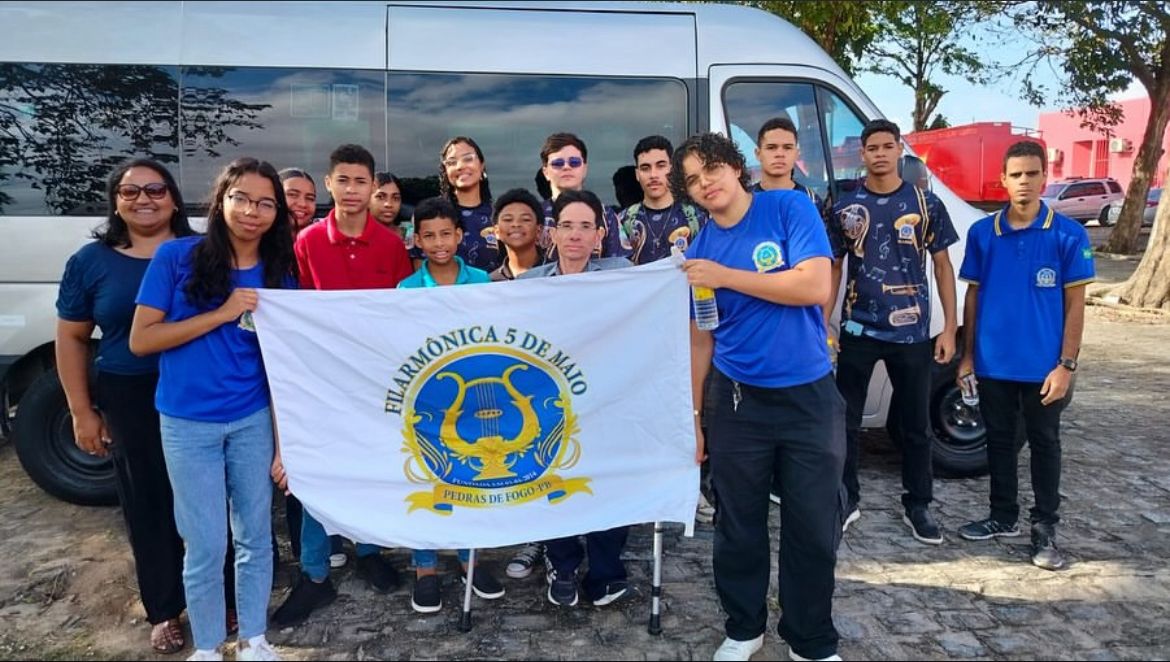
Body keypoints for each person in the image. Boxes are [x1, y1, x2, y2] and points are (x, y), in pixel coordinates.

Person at [672, 133, 844, 662]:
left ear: (734, 165)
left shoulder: (788, 207)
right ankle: (744, 628)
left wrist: (727, 276)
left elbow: (814, 285)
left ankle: (810, 639)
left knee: (812, 524)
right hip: (737, 402)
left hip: (809, 396)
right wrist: (695, 415)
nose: (706, 184)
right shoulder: (699, 251)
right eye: (693, 181)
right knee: (738, 524)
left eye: (712, 169)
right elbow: (701, 337)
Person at [129, 156, 297, 662]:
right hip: (187, 423)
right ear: (221, 199)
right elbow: (142, 339)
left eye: (265, 203)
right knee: (204, 543)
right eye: (241, 198)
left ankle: (254, 639)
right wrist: (223, 313)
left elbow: (283, 366)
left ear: (277, 213)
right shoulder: (176, 257)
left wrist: (283, 445)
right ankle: (206, 647)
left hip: (251, 420)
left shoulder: (280, 272)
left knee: (255, 536)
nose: (252, 212)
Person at [56, 159, 194, 654]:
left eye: (155, 190)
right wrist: (82, 411)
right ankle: (164, 607)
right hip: (130, 393)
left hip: (197, 388)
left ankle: (217, 593)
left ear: (173, 199)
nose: (144, 200)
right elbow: (72, 338)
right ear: (115, 202)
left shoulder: (202, 252)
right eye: (130, 191)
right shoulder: (90, 262)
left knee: (207, 497)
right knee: (146, 500)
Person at [273, 145, 411, 628]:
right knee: (317, 471)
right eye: (343, 181)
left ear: (373, 187)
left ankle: (369, 550)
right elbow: (293, 313)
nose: (352, 190)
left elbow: (404, 314)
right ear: (329, 184)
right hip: (321, 380)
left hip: (375, 379)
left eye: (361, 181)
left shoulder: (391, 246)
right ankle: (314, 574)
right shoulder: (307, 242)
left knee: (371, 465)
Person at [956, 140, 1094, 571]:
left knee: (1045, 443)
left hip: (1044, 368)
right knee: (998, 442)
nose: (1024, 182)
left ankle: (1045, 526)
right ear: (1003, 179)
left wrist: (1066, 365)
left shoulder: (1068, 234)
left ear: (1044, 178)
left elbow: (1075, 305)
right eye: (1016, 175)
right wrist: (967, 357)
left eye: (1032, 174)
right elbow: (973, 296)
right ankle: (1003, 516)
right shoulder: (983, 233)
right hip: (994, 363)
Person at [827, 119, 958, 545]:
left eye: (888, 146)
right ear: (862, 153)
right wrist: (822, 323)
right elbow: (833, 268)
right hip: (858, 329)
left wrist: (949, 328)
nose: (880, 154)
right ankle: (847, 498)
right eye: (873, 147)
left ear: (900, 149)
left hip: (912, 333)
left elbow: (942, 266)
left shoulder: (925, 203)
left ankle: (918, 505)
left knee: (915, 425)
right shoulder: (846, 206)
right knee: (846, 421)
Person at [518, 189, 633, 607]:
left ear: (600, 235)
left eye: (586, 227)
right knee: (554, 479)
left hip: (607, 399)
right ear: (552, 233)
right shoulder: (528, 285)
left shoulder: (622, 274)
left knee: (609, 481)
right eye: (567, 226)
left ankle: (606, 571)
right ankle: (562, 564)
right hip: (549, 403)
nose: (575, 235)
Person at [397, 196, 503, 612]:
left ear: (459, 235)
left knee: (470, 476)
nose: (439, 243)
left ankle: (468, 558)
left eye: (446, 234)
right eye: (429, 236)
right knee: (428, 477)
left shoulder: (481, 281)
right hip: (427, 400)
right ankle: (424, 568)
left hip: (474, 397)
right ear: (417, 240)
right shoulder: (406, 289)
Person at [536, 132, 628, 259]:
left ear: (584, 169)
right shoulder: (534, 216)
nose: (566, 167)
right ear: (545, 172)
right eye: (558, 163)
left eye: (574, 162)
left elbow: (620, 264)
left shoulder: (606, 216)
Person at [620, 135, 709, 265]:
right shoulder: (625, 220)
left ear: (672, 169)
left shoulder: (696, 218)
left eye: (660, 166)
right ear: (637, 174)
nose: (653, 175)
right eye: (645, 168)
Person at [435, 136, 498, 271]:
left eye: (468, 159)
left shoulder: (499, 214)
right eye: (452, 162)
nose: (460, 166)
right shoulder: (433, 214)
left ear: (482, 165)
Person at [488, 188, 546, 282]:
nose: (516, 224)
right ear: (496, 231)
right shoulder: (490, 282)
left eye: (525, 219)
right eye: (508, 219)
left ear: (539, 230)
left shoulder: (557, 274)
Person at [279, 168, 318, 237]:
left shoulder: (324, 237)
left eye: (310, 198)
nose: (303, 204)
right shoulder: (259, 238)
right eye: (292, 195)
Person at [371, 171, 407, 237]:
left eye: (395, 198)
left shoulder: (410, 235)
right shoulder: (355, 236)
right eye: (380, 197)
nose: (388, 204)